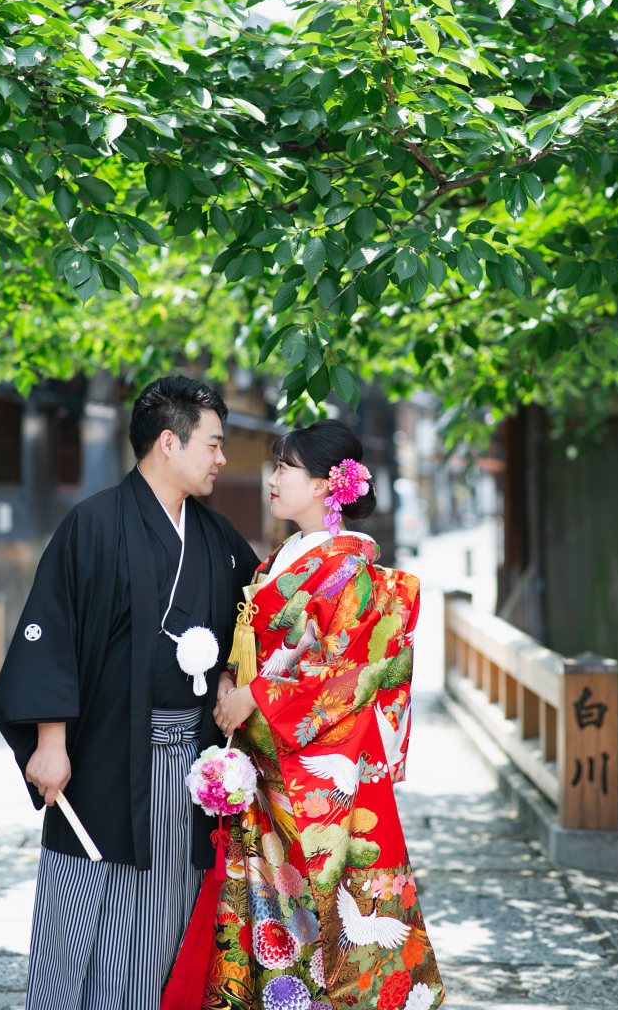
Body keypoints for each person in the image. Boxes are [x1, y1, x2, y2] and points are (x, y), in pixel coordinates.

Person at [0, 376, 258, 1010]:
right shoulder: (93, 524)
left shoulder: (217, 539)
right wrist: (49, 741)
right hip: (104, 752)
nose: (222, 458)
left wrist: (233, 677)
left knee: (161, 918)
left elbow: (255, 622)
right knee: (80, 906)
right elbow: (52, 630)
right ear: (169, 442)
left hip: (188, 761)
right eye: (213, 444)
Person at [205, 419, 444, 1010]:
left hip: (318, 769)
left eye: (283, 467)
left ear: (321, 485)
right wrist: (232, 677)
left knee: (331, 903)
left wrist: (254, 696)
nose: (272, 478)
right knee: (276, 905)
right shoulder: (284, 557)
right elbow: (253, 640)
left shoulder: (348, 568)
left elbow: (346, 673)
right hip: (269, 764)